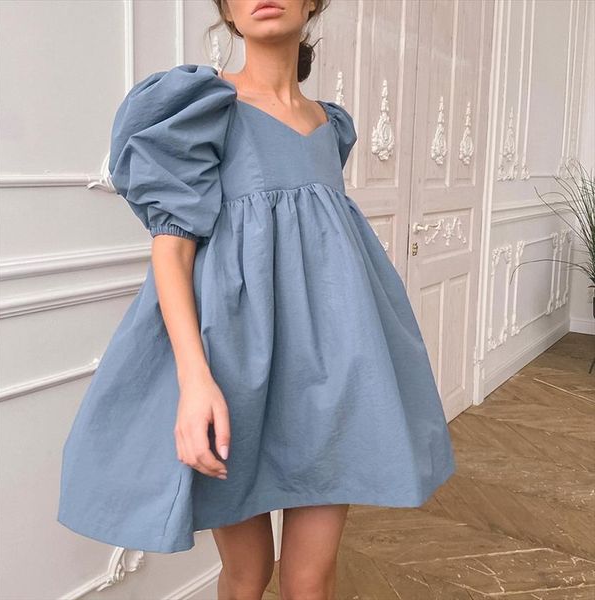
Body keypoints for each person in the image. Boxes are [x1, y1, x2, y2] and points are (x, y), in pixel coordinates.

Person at [57, 0, 456, 597]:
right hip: (235, 365)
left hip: (334, 370)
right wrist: (195, 382)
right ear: (226, 9)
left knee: (309, 580)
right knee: (247, 575)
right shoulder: (201, 108)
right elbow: (172, 253)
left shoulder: (331, 125)